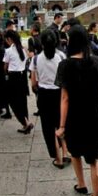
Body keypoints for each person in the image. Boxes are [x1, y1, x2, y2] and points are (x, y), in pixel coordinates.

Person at [56, 24, 98, 196]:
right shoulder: (97, 62)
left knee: (75, 152)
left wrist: (61, 126)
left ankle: (81, 184)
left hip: (74, 116)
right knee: (94, 159)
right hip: (94, 114)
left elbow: (65, 98)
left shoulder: (65, 65)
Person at [30, 29, 68, 168]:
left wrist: (37, 89)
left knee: (49, 128)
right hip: (59, 93)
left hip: (44, 94)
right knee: (61, 124)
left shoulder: (35, 58)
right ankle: (65, 153)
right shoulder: (62, 57)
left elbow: (33, 82)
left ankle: (57, 158)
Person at [3, 30, 34, 134]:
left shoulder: (9, 51)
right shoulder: (23, 49)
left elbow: (5, 66)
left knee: (13, 101)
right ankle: (26, 123)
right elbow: (29, 58)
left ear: (9, 39)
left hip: (13, 77)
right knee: (22, 101)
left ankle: (26, 122)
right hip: (23, 77)